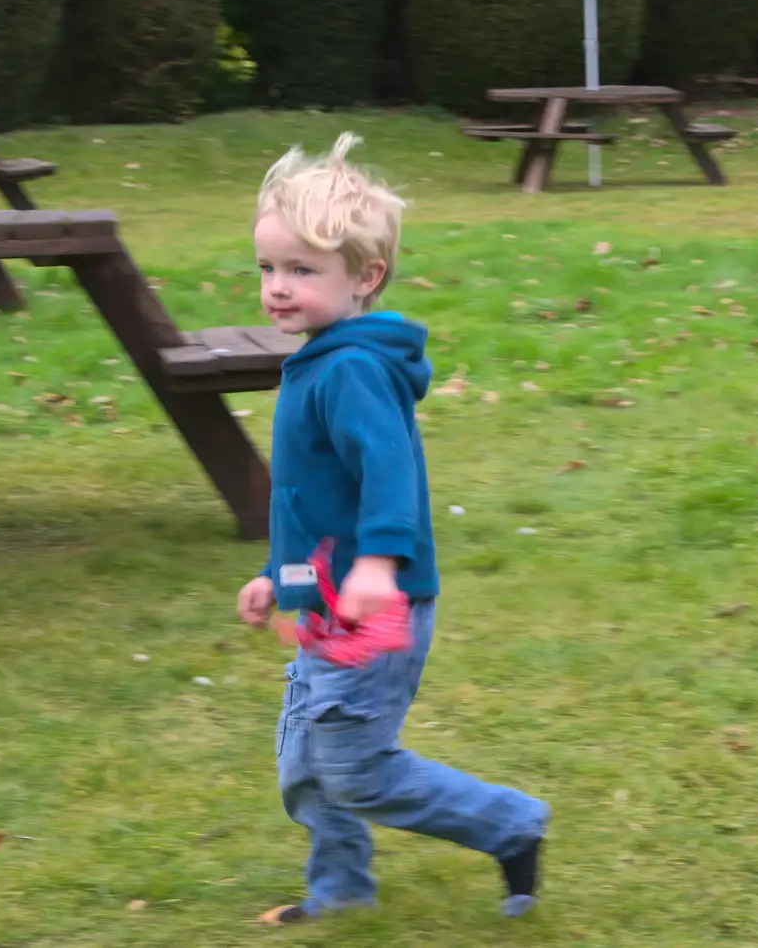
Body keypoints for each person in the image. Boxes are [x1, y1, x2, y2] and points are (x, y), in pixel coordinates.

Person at [236, 132, 550, 925]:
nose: (277, 287)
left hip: (376, 605)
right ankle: (341, 890)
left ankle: (512, 824)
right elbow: (314, 497)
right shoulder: (318, 357)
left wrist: (378, 562)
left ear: (365, 277)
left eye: (302, 271)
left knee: (356, 771)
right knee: (305, 766)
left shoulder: (350, 369)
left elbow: (388, 475)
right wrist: (281, 576)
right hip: (324, 599)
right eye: (269, 267)